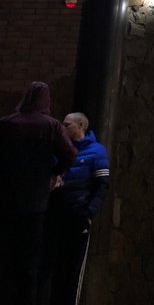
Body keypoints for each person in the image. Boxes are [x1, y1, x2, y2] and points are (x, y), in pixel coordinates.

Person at [0, 82, 77, 305]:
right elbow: (70, 155)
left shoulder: (7, 123)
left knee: (5, 254)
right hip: (35, 200)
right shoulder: (52, 126)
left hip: (6, 199)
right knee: (29, 258)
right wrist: (54, 172)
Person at [38, 112, 109, 305]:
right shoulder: (59, 150)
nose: (63, 127)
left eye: (67, 124)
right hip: (54, 214)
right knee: (48, 266)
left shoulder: (97, 152)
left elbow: (102, 186)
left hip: (76, 216)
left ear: (81, 126)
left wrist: (88, 213)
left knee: (71, 270)